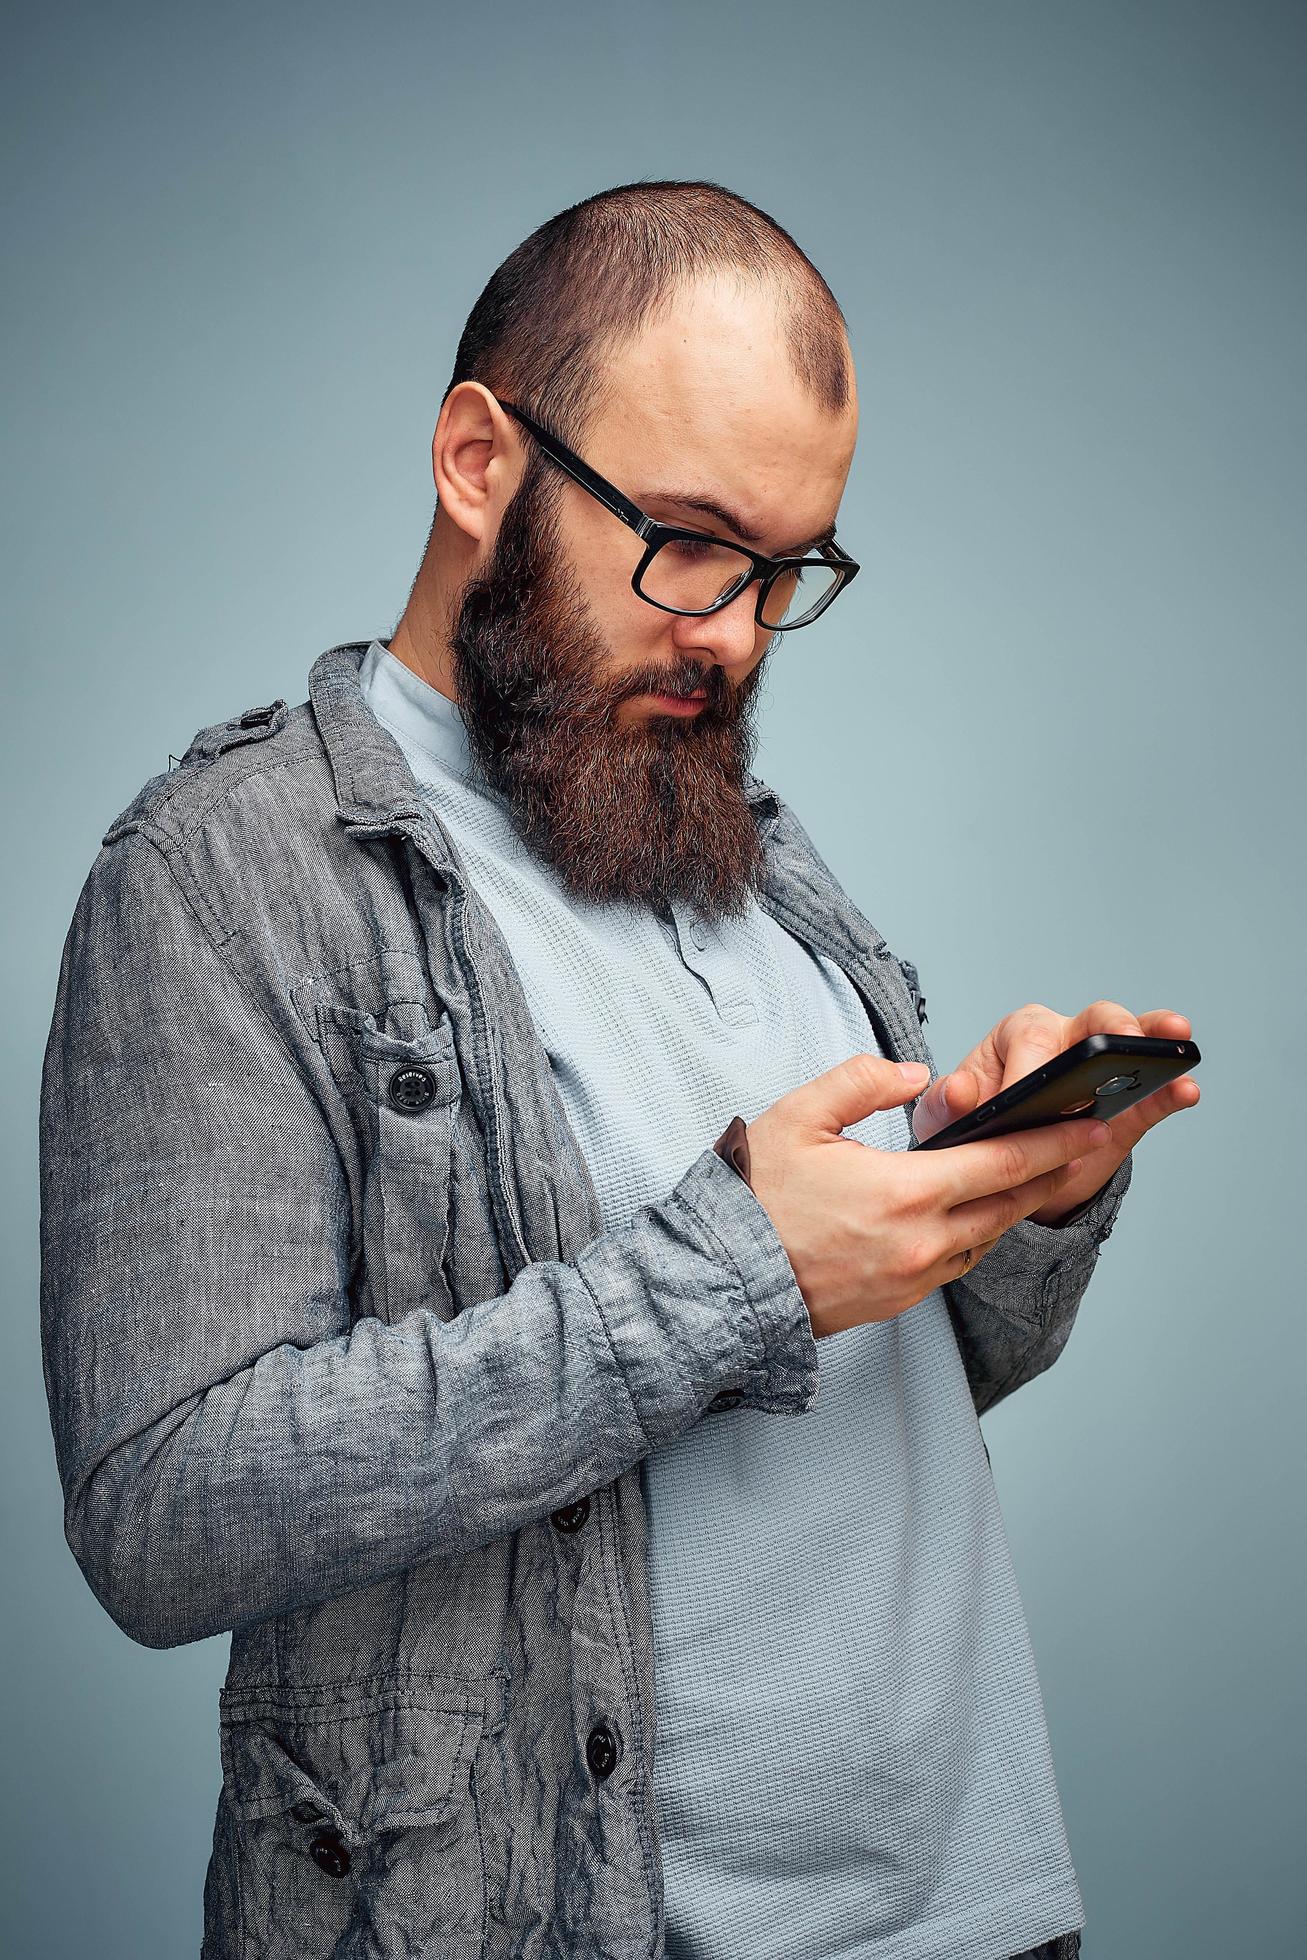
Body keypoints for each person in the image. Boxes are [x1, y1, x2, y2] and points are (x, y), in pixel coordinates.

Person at [39, 178, 1197, 1960]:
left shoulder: (742, 839)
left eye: (790, 569)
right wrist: (732, 1274)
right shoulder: (225, 877)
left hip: (984, 1912)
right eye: (688, 540)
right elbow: (166, 1506)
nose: (736, 631)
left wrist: (1002, 1197)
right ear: (478, 459)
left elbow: (905, 1387)